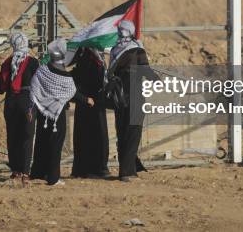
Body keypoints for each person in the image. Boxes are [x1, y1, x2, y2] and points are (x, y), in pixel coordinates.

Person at [108, 19, 158, 182]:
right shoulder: (137, 50)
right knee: (133, 132)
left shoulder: (115, 50)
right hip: (134, 96)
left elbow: (110, 75)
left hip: (119, 97)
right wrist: (157, 79)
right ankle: (127, 172)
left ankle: (126, 168)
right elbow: (147, 72)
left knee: (122, 132)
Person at [30, 38, 81, 186]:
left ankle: (38, 173)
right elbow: (71, 92)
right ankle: (53, 177)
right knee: (55, 145)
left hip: (43, 112)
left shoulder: (42, 70)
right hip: (57, 115)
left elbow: (34, 88)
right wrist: (86, 100)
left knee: (41, 142)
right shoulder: (65, 76)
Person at [0, 32, 39, 184]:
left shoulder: (7, 62)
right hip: (27, 102)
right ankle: (26, 173)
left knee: (12, 137)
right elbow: (38, 84)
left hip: (11, 103)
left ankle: (15, 171)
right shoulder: (33, 62)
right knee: (27, 137)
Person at [70, 47, 110, 178]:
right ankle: (97, 168)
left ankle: (83, 169)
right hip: (93, 103)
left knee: (84, 136)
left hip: (85, 103)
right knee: (97, 136)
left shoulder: (86, 58)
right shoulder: (92, 60)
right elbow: (97, 80)